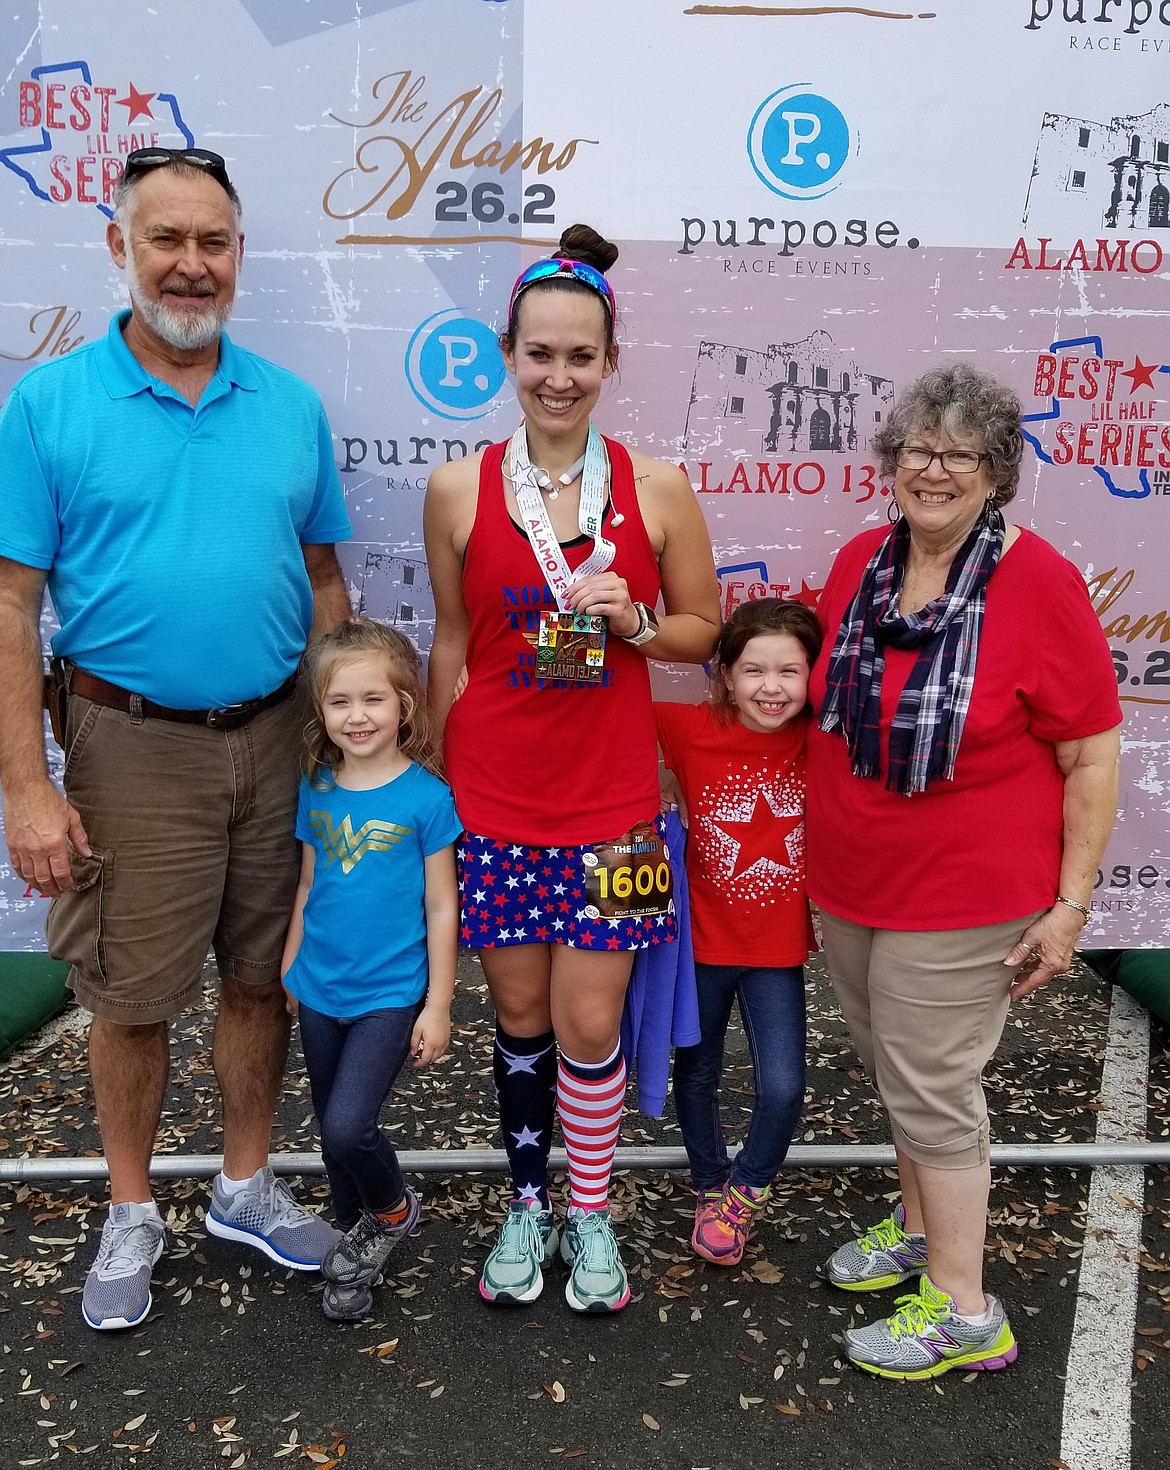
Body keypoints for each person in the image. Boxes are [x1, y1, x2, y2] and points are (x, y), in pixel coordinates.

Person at [0, 147, 353, 1331]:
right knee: (132, 997)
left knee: (262, 982)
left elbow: (323, 581)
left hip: (276, 740)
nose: (190, 265)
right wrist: (28, 791)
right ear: (119, 248)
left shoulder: (290, 408)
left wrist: (339, 743)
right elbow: (9, 606)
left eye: (213, 243)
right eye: (167, 240)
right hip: (128, 745)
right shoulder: (50, 406)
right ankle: (133, 1210)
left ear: (240, 257)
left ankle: (244, 1186)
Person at [424, 225, 721, 1313]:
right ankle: (525, 1202)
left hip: (615, 807)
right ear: (510, 354)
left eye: (579, 356)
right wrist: (433, 767)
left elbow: (702, 632)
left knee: (592, 1023)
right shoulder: (461, 488)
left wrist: (639, 620)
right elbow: (453, 641)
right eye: (539, 354)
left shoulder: (659, 486)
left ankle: (589, 1210)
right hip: (496, 795)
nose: (559, 375)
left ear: (610, 363)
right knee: (519, 1020)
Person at [807, 363, 1122, 1379]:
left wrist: (1072, 907)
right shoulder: (861, 559)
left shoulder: (1041, 582)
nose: (932, 471)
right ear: (890, 461)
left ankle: (963, 1308)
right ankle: (916, 1229)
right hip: (855, 883)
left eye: (959, 455)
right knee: (897, 1072)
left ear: (996, 473)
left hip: (967, 896)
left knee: (934, 1089)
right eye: (916, 450)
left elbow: (1091, 755)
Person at [280, 619, 460, 1321]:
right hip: (320, 990)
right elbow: (306, 885)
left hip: (390, 994)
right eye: (340, 702)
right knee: (331, 1130)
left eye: (373, 700)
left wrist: (438, 1005)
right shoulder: (316, 786)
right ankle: (356, 1249)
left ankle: (391, 1212)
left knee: (348, 1126)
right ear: (321, 712)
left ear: (404, 706)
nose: (357, 716)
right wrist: (293, 966)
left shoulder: (426, 798)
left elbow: (442, 907)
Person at [656, 599, 821, 1267]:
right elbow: (596, 712)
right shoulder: (689, 726)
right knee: (695, 1075)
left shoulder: (821, 739)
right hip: (701, 941)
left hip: (776, 950)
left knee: (782, 1086)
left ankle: (742, 1193)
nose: (772, 687)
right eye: (753, 670)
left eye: (790, 670)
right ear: (724, 674)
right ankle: (707, 1185)